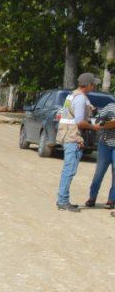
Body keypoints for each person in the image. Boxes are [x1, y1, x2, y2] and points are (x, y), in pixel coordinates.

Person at [55, 73, 101, 211]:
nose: (94, 86)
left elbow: (71, 113)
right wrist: (94, 126)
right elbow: (80, 122)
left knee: (67, 170)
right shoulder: (80, 99)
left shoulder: (72, 95)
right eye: (93, 84)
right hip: (73, 138)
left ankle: (63, 199)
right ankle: (62, 201)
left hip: (67, 136)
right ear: (87, 85)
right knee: (69, 171)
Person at [86, 100, 115, 209]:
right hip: (105, 145)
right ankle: (92, 197)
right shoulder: (110, 106)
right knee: (99, 172)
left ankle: (111, 200)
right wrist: (107, 122)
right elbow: (97, 119)